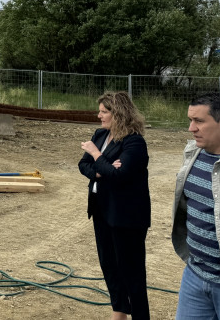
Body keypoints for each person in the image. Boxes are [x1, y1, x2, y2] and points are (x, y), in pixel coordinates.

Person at [79, 91, 150, 320]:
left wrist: (96, 154)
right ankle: (119, 313)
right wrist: (102, 168)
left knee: (132, 274)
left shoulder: (134, 142)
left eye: (103, 111)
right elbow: (83, 165)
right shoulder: (101, 134)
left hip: (126, 216)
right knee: (109, 267)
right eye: (99, 111)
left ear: (118, 114)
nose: (98, 115)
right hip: (101, 210)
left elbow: (120, 176)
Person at [172, 91, 220, 318]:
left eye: (199, 121)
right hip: (194, 276)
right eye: (190, 120)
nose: (191, 128)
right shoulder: (192, 153)